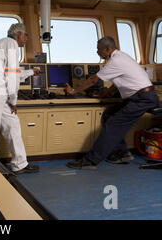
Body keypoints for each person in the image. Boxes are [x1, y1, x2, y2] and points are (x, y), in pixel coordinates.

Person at [65, 36, 159, 170]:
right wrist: (104, 94)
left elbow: (93, 80)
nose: (98, 53)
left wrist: (74, 91)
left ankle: (90, 161)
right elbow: (117, 82)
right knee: (109, 114)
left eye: (99, 50)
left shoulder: (115, 61)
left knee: (112, 125)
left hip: (142, 98)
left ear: (108, 49)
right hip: (142, 96)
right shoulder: (122, 57)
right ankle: (123, 153)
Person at [0, 23, 40, 174]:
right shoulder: (11, 44)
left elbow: (13, 72)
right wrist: (14, 101)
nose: (26, 39)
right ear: (18, 35)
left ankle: (20, 164)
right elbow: (12, 77)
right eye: (26, 36)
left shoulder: (3, 44)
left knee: (13, 125)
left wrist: (31, 72)